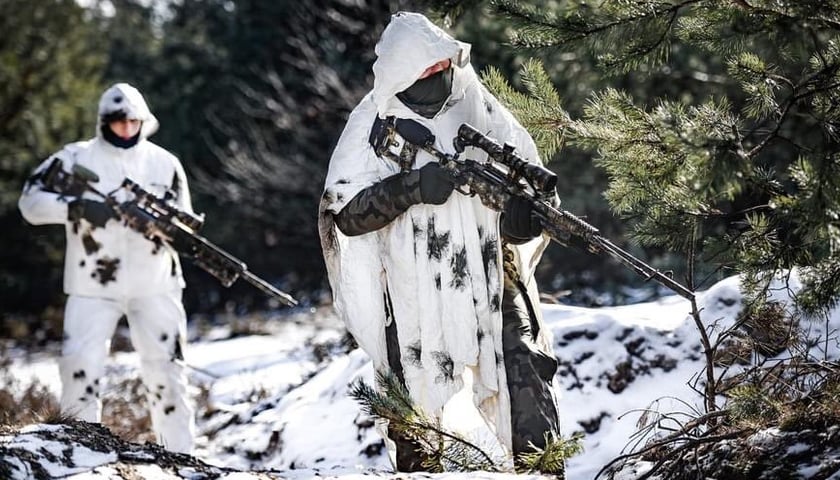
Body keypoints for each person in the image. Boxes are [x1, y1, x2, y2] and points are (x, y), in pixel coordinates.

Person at [319, 12, 561, 473]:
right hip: (410, 286)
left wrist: (521, 220)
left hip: (490, 271)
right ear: (402, 75)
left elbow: (526, 190)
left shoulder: (481, 106)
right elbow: (344, 216)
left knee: (524, 370)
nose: (438, 76)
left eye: (442, 66)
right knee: (411, 401)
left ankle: (543, 470)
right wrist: (408, 188)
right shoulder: (373, 119)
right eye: (425, 70)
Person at [18, 83, 196, 454]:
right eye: (118, 122)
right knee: (80, 367)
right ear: (104, 122)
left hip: (156, 281)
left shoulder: (165, 163)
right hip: (91, 283)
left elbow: (186, 226)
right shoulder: (74, 158)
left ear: (144, 121)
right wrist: (76, 207)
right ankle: (78, 453)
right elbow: (30, 202)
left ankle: (182, 456)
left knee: (168, 372)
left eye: (134, 121)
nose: (127, 129)